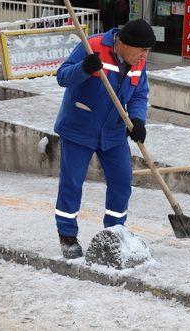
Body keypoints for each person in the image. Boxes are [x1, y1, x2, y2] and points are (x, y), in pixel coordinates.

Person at [53, 19, 155, 258]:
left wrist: (138, 120)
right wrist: (84, 69)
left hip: (114, 132)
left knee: (121, 182)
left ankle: (114, 232)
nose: (144, 55)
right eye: (142, 50)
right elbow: (62, 77)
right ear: (124, 44)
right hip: (79, 127)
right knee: (72, 183)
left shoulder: (139, 60)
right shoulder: (92, 46)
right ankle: (67, 235)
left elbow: (139, 93)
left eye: (147, 51)